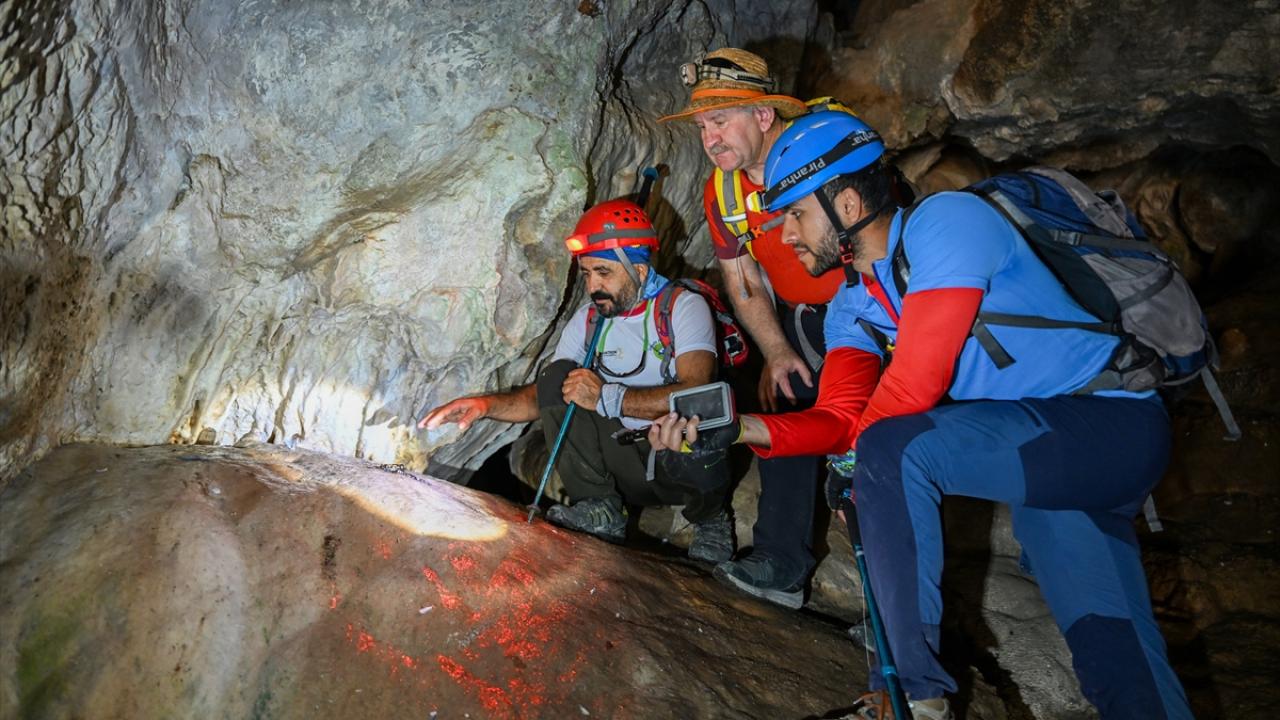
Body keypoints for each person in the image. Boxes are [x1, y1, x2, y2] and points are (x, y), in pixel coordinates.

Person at [649, 111, 1193, 719]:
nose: (788, 236)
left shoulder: (949, 222)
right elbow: (839, 422)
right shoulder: (850, 308)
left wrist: (856, 459)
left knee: (891, 452)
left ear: (848, 203)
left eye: (796, 215)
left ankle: (911, 696)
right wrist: (738, 429)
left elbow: (912, 387)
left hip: (1111, 425)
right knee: (1114, 659)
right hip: (1050, 468)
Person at [420, 198, 734, 563]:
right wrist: (485, 405)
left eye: (603, 272)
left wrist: (608, 397)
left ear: (641, 271)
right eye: (586, 274)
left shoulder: (681, 306)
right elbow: (545, 397)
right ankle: (599, 508)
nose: (593, 286)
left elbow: (696, 390)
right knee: (556, 376)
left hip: (673, 461)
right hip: (625, 461)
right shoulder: (589, 319)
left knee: (702, 418)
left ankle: (711, 519)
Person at [658, 47, 842, 608]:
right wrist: (777, 350)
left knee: (874, 439)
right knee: (785, 395)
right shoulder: (725, 189)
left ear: (764, 116)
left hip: (869, 310)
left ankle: (895, 608)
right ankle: (783, 566)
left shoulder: (827, 150)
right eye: (701, 126)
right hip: (800, 317)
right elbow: (744, 283)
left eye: (720, 121)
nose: (709, 138)